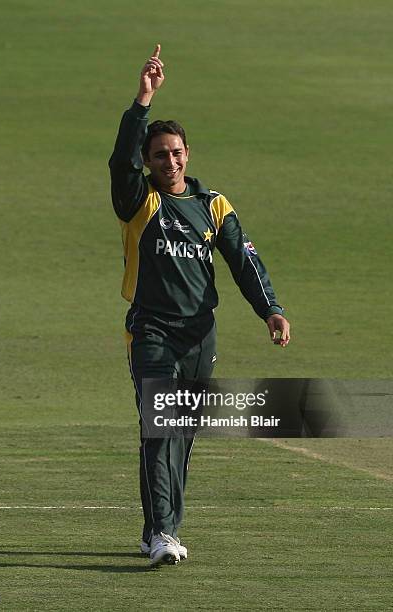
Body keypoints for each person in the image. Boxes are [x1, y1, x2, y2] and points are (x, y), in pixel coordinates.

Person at [108, 44, 290, 567]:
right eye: (160, 153)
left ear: (188, 154)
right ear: (148, 160)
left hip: (199, 334)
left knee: (181, 435)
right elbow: (120, 161)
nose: (170, 160)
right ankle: (166, 532)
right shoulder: (139, 201)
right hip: (151, 331)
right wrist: (142, 102)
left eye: (177, 152)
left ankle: (154, 530)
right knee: (160, 426)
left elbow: (244, 259)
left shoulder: (213, 205)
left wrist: (270, 310)